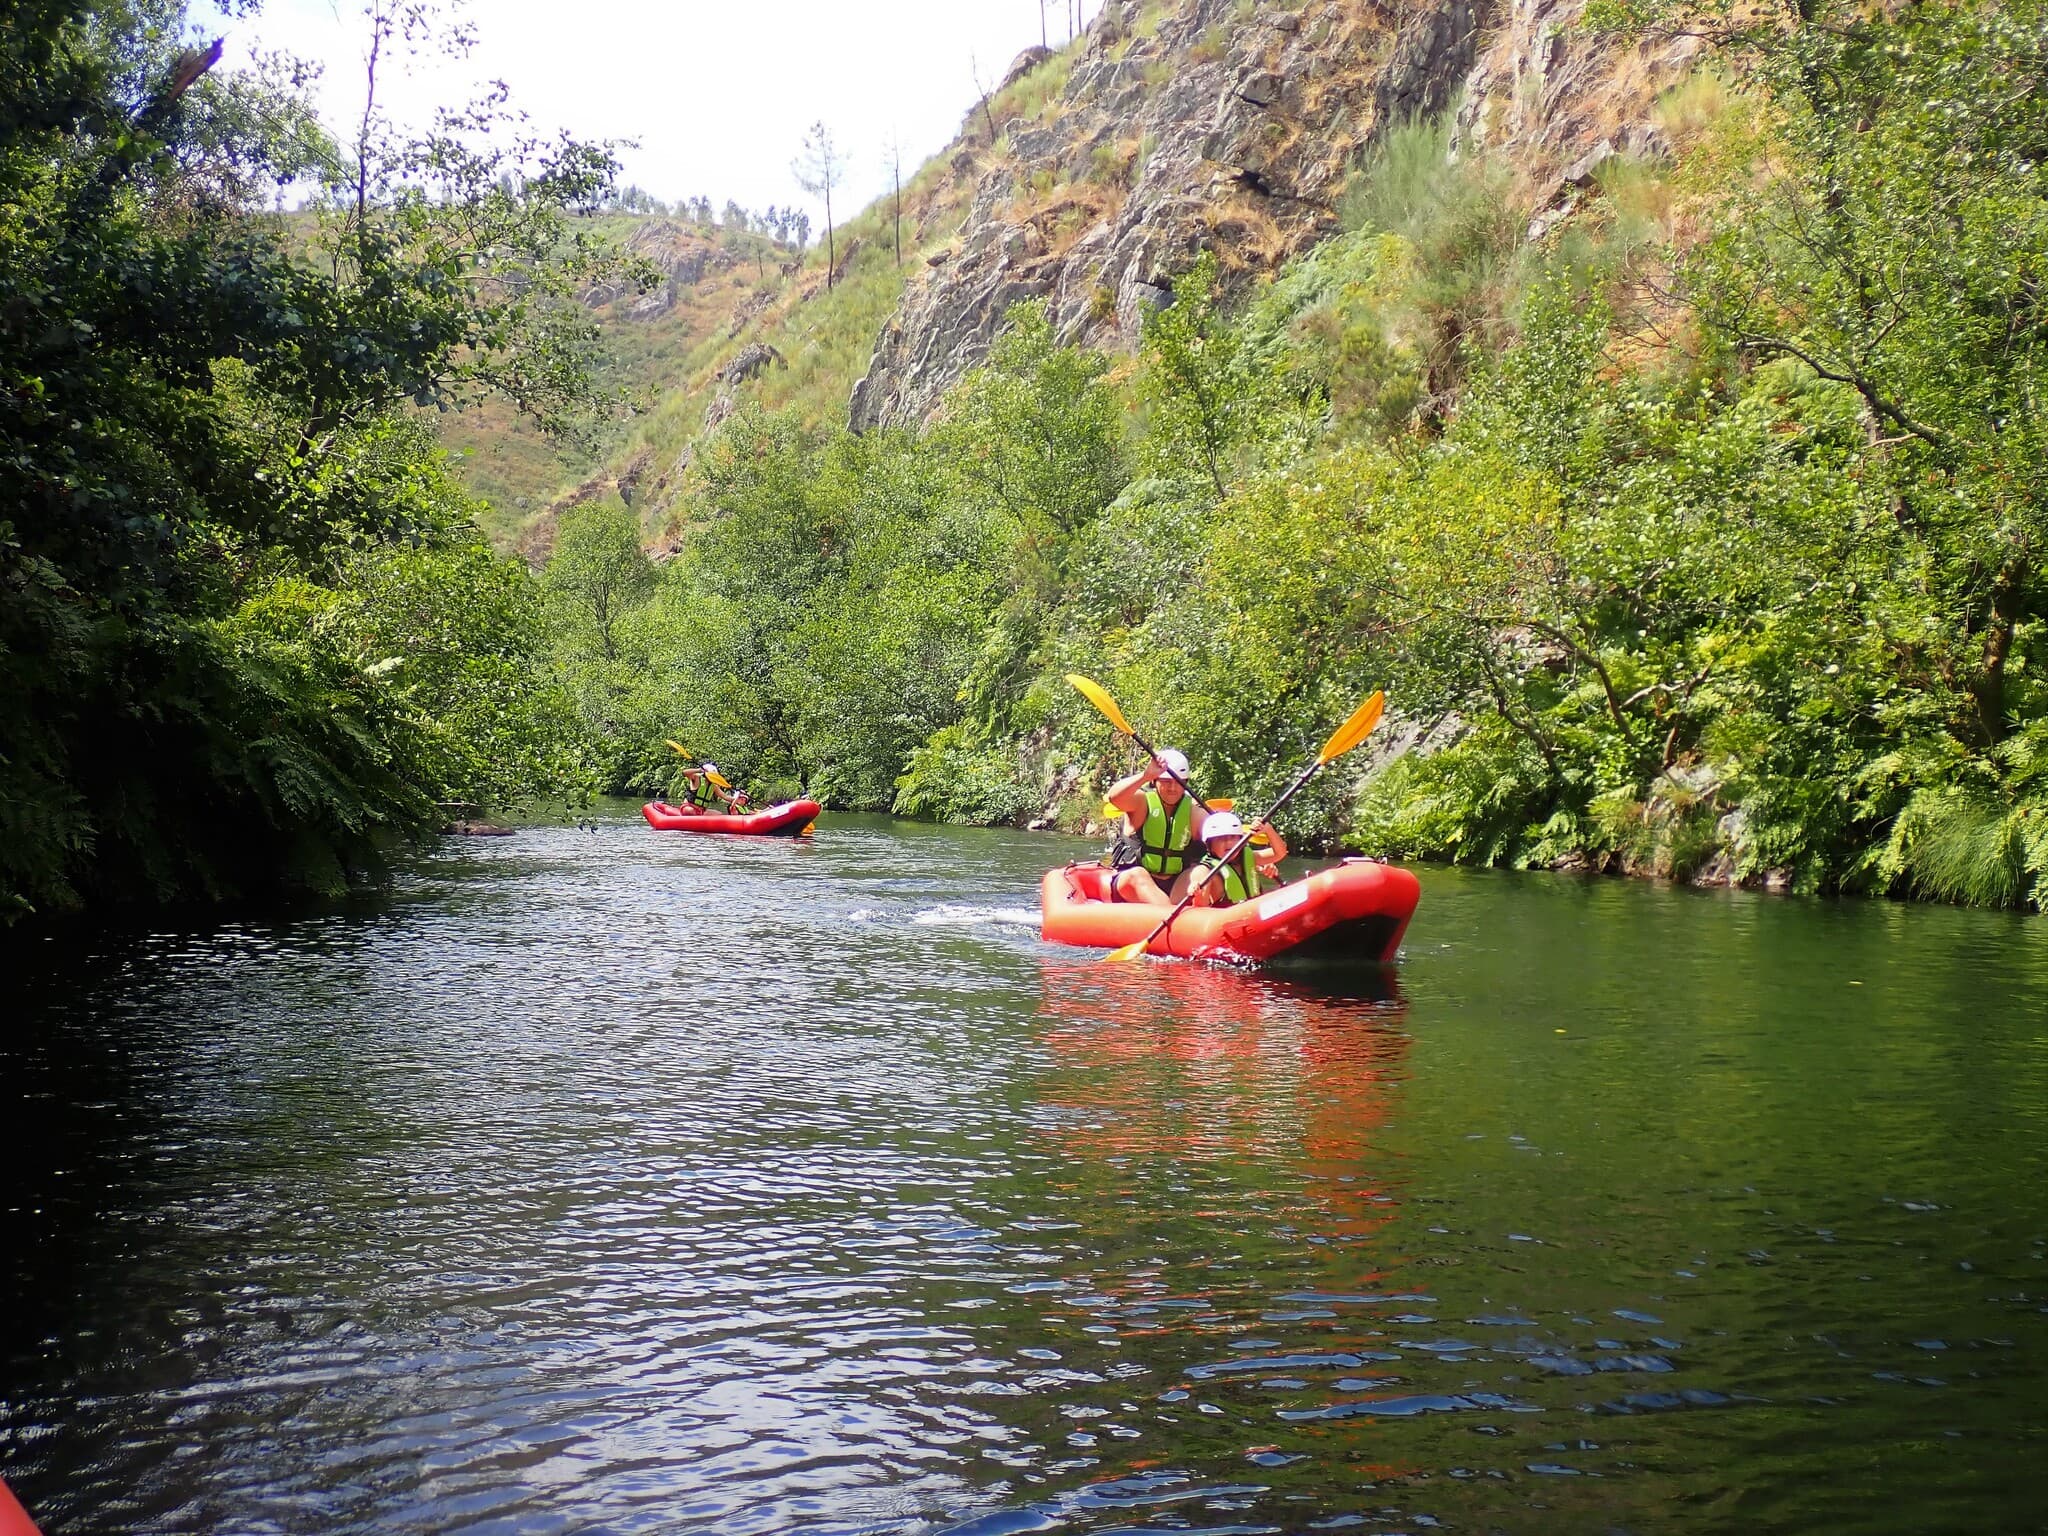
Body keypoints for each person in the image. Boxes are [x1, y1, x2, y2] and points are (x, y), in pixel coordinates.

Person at [1104, 748, 1206, 904]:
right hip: (1134, 882)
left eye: (1178, 782)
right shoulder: (1141, 801)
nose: (1172, 788)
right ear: (1155, 781)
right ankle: (1172, 919)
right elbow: (1114, 797)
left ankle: (1184, 918)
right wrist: (1145, 776)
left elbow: (1216, 836)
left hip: (1174, 884)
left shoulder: (1193, 810)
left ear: (1185, 783)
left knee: (1201, 871)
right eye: (1166, 782)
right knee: (1137, 875)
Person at [1183, 811, 1289, 909]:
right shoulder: (1203, 871)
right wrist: (1197, 894)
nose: (1229, 842)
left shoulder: (1249, 857)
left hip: (1254, 913)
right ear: (1209, 843)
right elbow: (1201, 910)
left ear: (1240, 840)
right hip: (1229, 922)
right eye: (1221, 838)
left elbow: (1280, 853)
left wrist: (1268, 830)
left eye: (1233, 837)